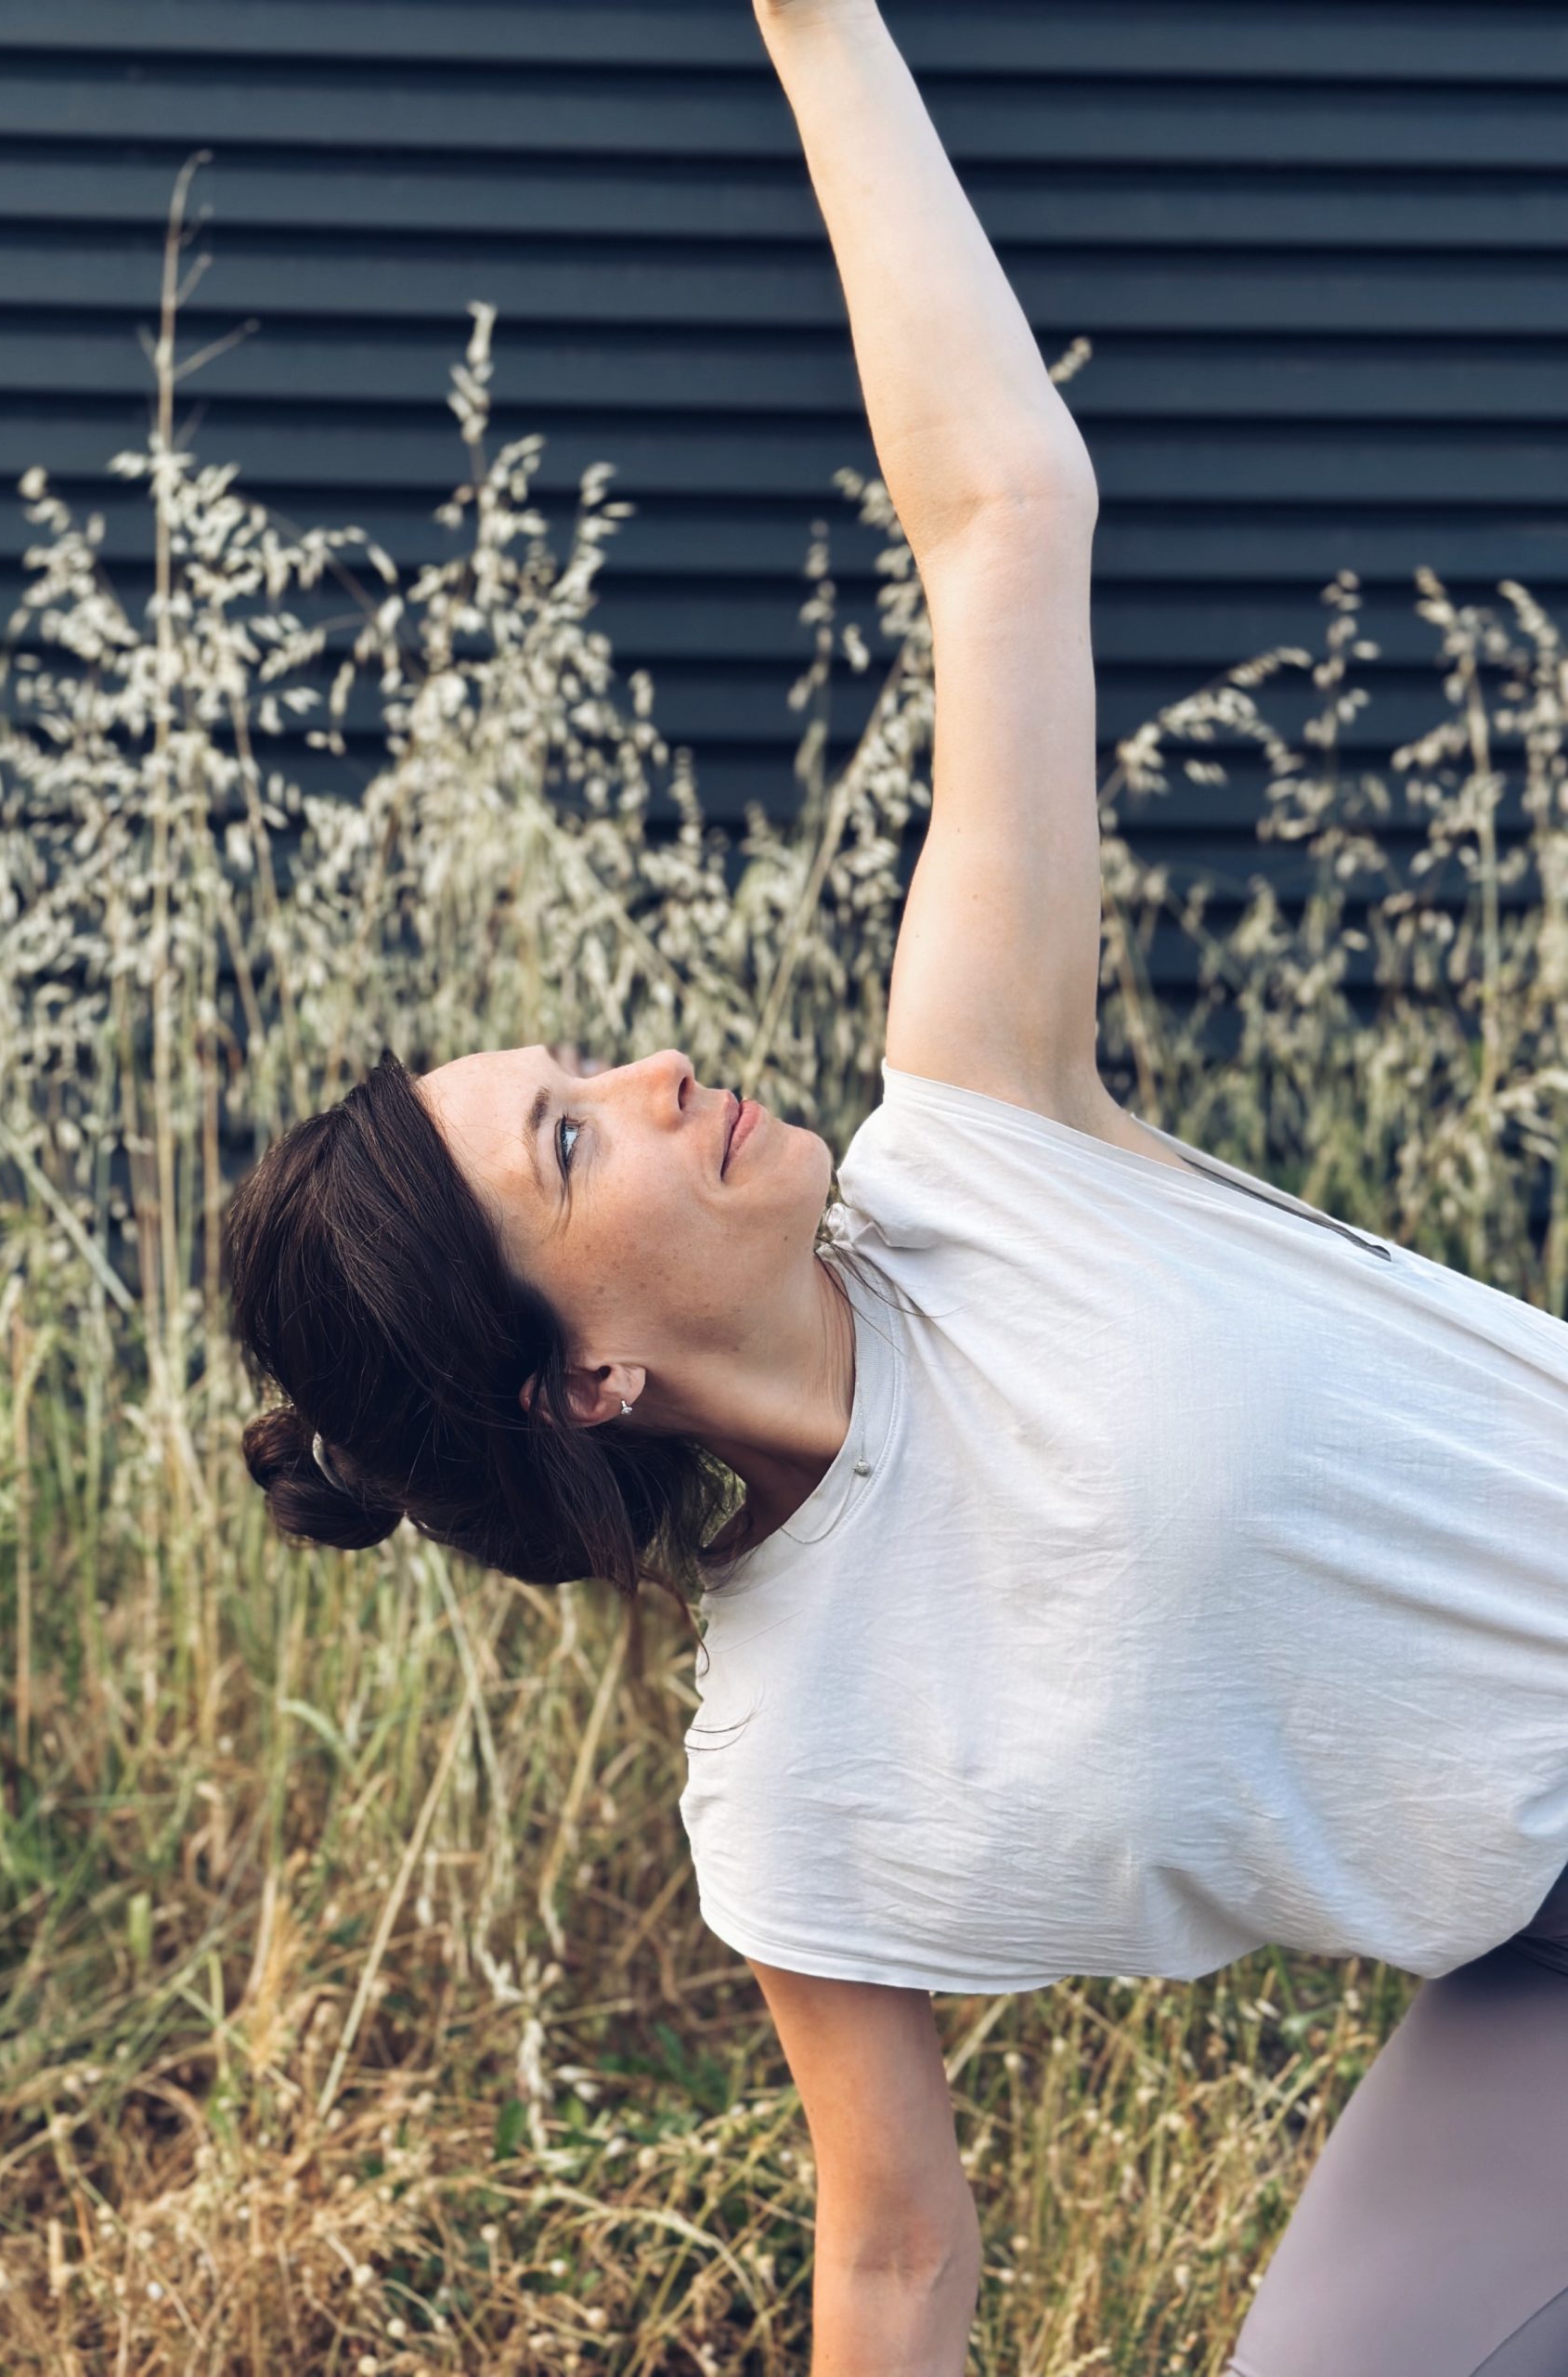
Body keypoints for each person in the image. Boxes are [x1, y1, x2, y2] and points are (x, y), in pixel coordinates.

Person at [221, 2, 1568, 2369]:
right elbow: (894, 2255)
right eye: (573, 1138)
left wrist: (815, 18)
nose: (653, 1069)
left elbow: (997, 515)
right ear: (579, 1376)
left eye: (584, 1064)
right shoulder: (796, 1785)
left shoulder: (985, 1133)